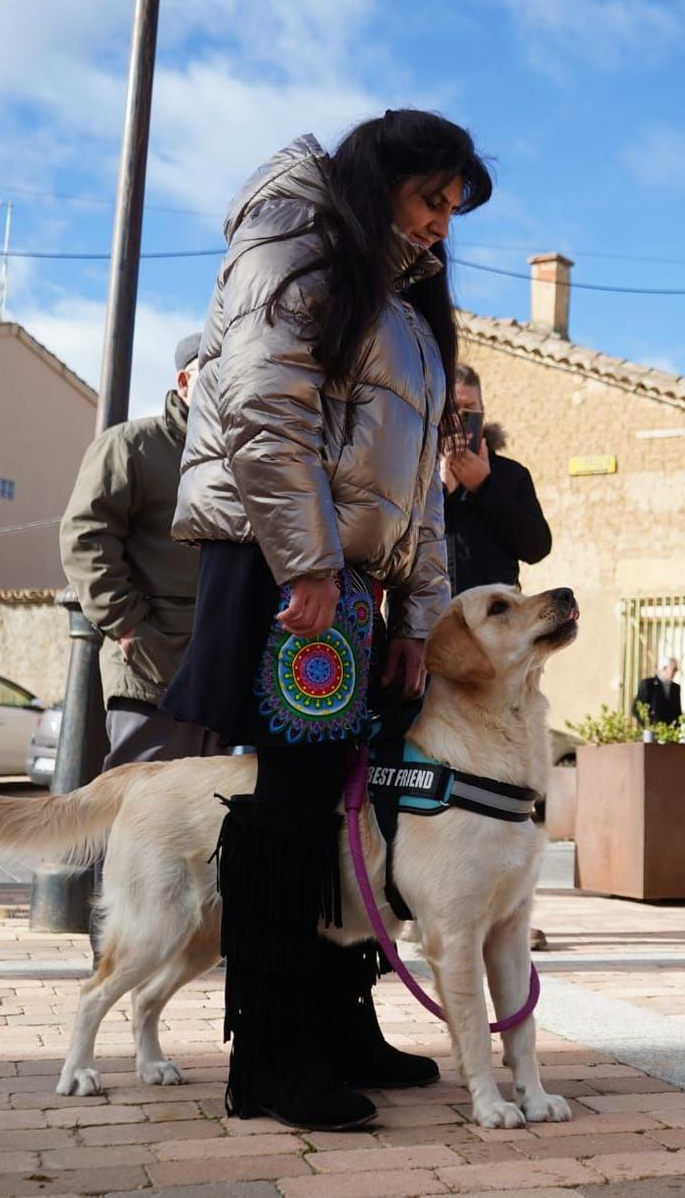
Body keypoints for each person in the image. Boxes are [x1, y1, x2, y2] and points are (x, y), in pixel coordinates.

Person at [163, 111, 492, 1131]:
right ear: (379, 178)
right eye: (429, 198)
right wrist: (302, 560)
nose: (440, 225)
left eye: (451, 209)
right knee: (291, 802)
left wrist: (418, 624)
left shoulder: (403, 301)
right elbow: (264, 399)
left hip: (354, 584)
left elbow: (419, 490)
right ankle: (269, 1052)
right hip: (285, 564)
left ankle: (334, 1017)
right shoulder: (296, 236)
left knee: (348, 805)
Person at [61, 335, 218, 769]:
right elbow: (84, 536)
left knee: (199, 816)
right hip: (152, 667)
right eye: (216, 372)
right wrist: (128, 627)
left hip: (218, 671)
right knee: (137, 809)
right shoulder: (131, 445)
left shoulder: (239, 461)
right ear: (186, 381)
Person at [441, 364, 551, 595]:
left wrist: (485, 487)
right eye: (452, 409)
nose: (461, 419)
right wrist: (442, 492)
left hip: (497, 623)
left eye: (469, 408)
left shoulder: (512, 475)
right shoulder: (416, 472)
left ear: (482, 411)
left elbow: (537, 547)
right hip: (428, 618)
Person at [632, 657, 681, 728]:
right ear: (664, 669)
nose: (675, 672)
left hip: (669, 731)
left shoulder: (675, 688)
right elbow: (637, 708)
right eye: (673, 669)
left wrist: (676, 726)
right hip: (652, 729)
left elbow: (677, 711)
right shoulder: (649, 684)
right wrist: (647, 725)